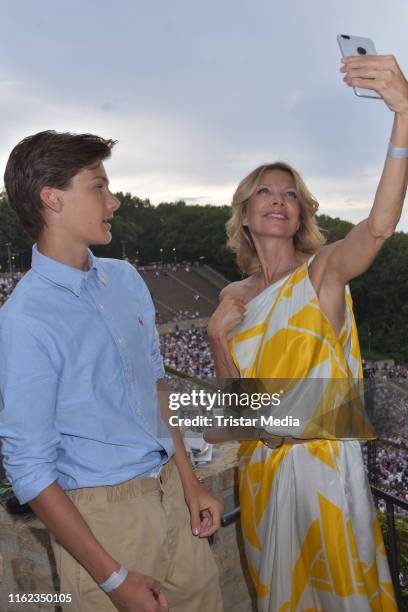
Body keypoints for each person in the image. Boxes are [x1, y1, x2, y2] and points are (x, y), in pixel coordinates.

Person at [208, 55, 408, 611]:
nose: (278, 199)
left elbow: (378, 227)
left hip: (322, 472)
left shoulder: (321, 273)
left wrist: (404, 118)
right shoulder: (233, 299)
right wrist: (218, 341)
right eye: (266, 192)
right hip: (261, 477)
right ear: (245, 214)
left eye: (290, 194)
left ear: (301, 215)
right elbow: (236, 416)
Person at [0, 131, 223, 612]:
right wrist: (114, 577)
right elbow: (29, 468)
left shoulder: (125, 278)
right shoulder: (25, 320)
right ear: (52, 198)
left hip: (173, 499)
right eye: (98, 186)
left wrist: (190, 485)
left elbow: (157, 389)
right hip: (104, 524)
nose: (114, 200)